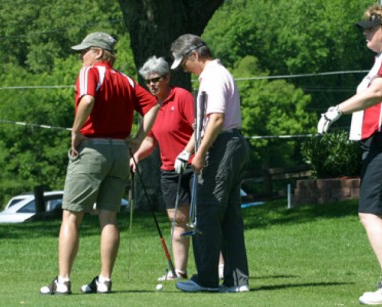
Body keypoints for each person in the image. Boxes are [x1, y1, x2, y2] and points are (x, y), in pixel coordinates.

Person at [317, 4, 382, 305]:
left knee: (370, 213)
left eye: (370, 28)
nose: (365, 33)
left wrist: (336, 110)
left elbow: (378, 92)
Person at [40, 32, 159, 295]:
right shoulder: (127, 80)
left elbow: (88, 99)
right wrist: (138, 138)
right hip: (120, 151)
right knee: (109, 217)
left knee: (71, 215)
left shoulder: (90, 72)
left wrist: (75, 129)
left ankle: (63, 280)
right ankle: (105, 280)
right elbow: (152, 106)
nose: (81, 56)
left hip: (92, 149)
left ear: (97, 52)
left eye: (84, 51)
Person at [170, 34, 250, 293]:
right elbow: (205, 124)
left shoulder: (213, 77)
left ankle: (206, 279)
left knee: (207, 211)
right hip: (232, 144)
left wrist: (200, 153)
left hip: (222, 147)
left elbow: (215, 119)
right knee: (229, 217)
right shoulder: (217, 74)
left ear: (195, 55)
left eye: (183, 61)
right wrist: (187, 150)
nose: (183, 68)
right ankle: (237, 281)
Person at [131, 56, 195, 281]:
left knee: (201, 220)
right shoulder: (150, 107)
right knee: (178, 220)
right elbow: (150, 140)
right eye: (148, 81)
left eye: (156, 79)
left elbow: (199, 130)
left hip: (193, 165)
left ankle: (218, 266)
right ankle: (179, 270)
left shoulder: (182, 96)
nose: (152, 85)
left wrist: (186, 153)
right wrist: (137, 155)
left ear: (167, 77)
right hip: (169, 170)